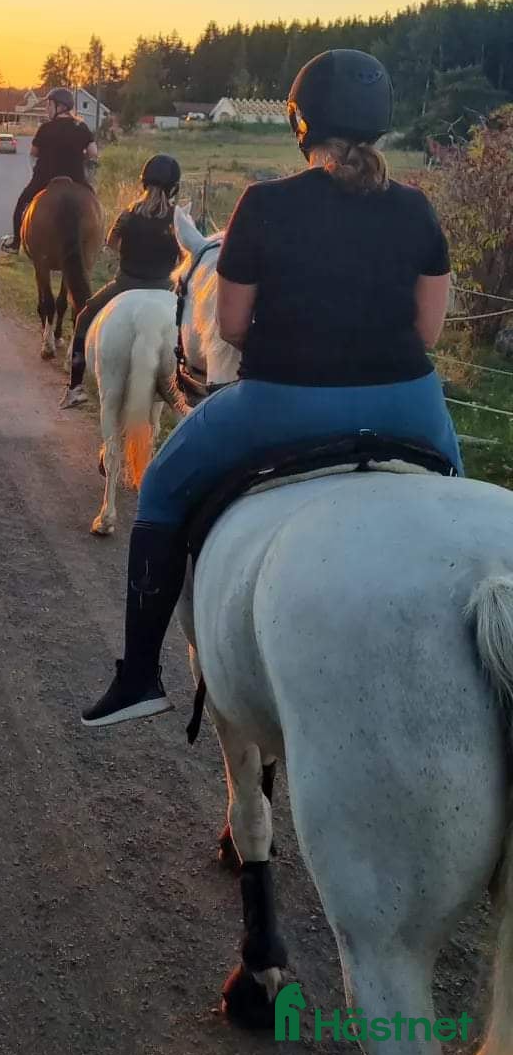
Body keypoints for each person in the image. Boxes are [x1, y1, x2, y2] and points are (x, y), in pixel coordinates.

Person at [81, 48, 464, 730]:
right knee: (461, 516)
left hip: (280, 405)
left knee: (163, 489)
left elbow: (228, 324)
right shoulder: (417, 210)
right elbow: (428, 333)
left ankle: (139, 675)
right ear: (379, 125)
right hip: (411, 404)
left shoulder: (263, 204)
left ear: (300, 122)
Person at [60, 155, 182, 409]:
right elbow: (186, 255)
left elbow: (111, 244)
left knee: (84, 318)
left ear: (144, 183)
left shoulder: (128, 214)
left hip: (126, 284)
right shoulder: (178, 219)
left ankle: (75, 386)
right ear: (174, 187)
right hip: (165, 287)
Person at [0, 87, 99, 251]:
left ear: (60, 106)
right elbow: (93, 153)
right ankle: (99, 241)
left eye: (49, 105)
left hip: (44, 180)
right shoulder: (81, 127)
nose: (47, 109)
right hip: (76, 179)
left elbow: (33, 152)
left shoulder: (45, 128)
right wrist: (80, 158)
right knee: (95, 205)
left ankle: (16, 243)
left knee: (22, 203)